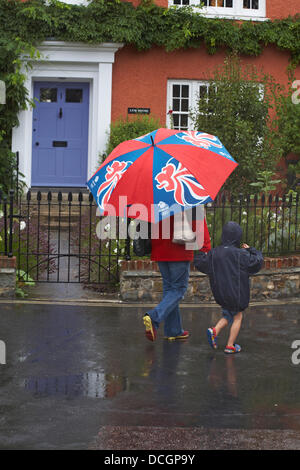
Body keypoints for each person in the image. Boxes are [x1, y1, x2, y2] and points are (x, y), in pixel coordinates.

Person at [193, 221, 263, 354]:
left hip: (221, 293)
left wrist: (203, 252)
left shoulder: (214, 253)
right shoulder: (241, 254)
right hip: (237, 293)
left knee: (228, 313)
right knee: (237, 316)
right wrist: (250, 249)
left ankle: (215, 331)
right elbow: (257, 262)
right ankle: (230, 345)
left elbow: (200, 262)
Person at [143, 212, 211, 342]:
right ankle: (154, 317)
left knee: (170, 290)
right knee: (179, 289)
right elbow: (197, 220)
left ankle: (173, 330)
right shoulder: (185, 195)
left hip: (160, 248)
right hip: (180, 250)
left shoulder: (157, 198)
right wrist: (205, 246)